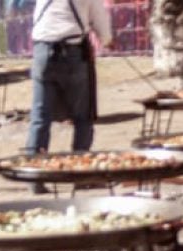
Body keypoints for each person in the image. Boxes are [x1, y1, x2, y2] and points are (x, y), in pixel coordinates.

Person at [25, 0, 112, 157]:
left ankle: (34, 172)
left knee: (40, 117)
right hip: (72, 53)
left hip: (42, 51)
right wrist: (107, 40)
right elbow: (100, 19)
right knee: (83, 116)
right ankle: (80, 168)